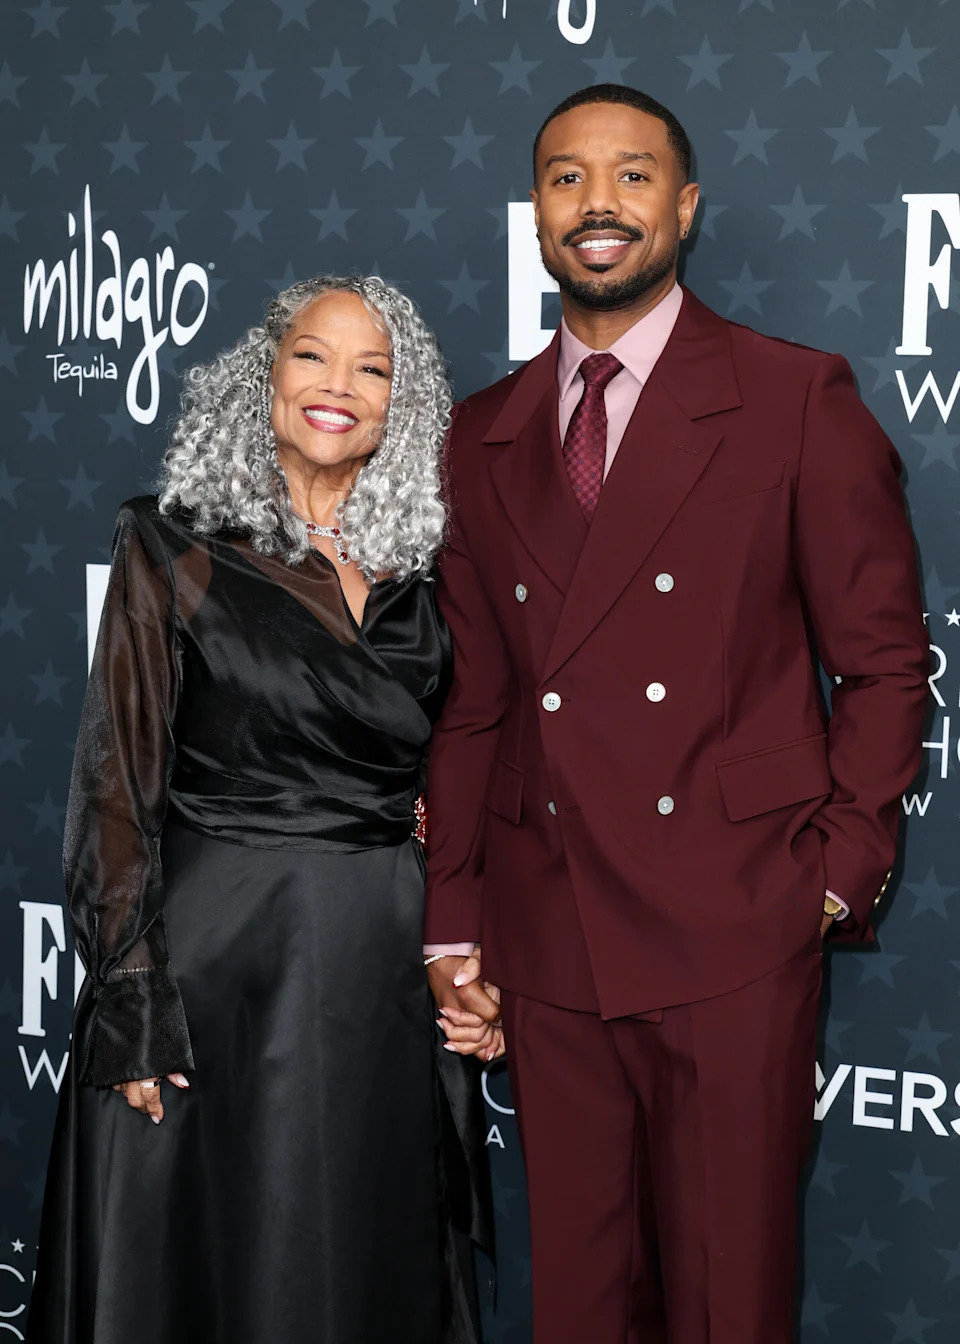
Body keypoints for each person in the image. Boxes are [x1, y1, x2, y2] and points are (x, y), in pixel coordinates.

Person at [425, 85, 929, 1344]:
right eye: (566, 178)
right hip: (552, 938)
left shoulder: (792, 397)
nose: (597, 203)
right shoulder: (480, 434)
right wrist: (456, 920)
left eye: (633, 175)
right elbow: (479, 703)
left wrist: (832, 879)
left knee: (725, 1303)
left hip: (735, 928)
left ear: (686, 206)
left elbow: (883, 667)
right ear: (536, 212)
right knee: (582, 1308)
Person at [29, 275, 487, 1344]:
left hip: (377, 965)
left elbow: (473, 769)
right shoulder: (172, 541)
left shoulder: (432, 573)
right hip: (214, 962)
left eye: (374, 369)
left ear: (404, 405)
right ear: (263, 377)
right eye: (312, 356)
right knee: (200, 1255)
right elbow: (116, 783)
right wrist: (130, 996)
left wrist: (471, 940)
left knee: (353, 1250)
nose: (340, 386)